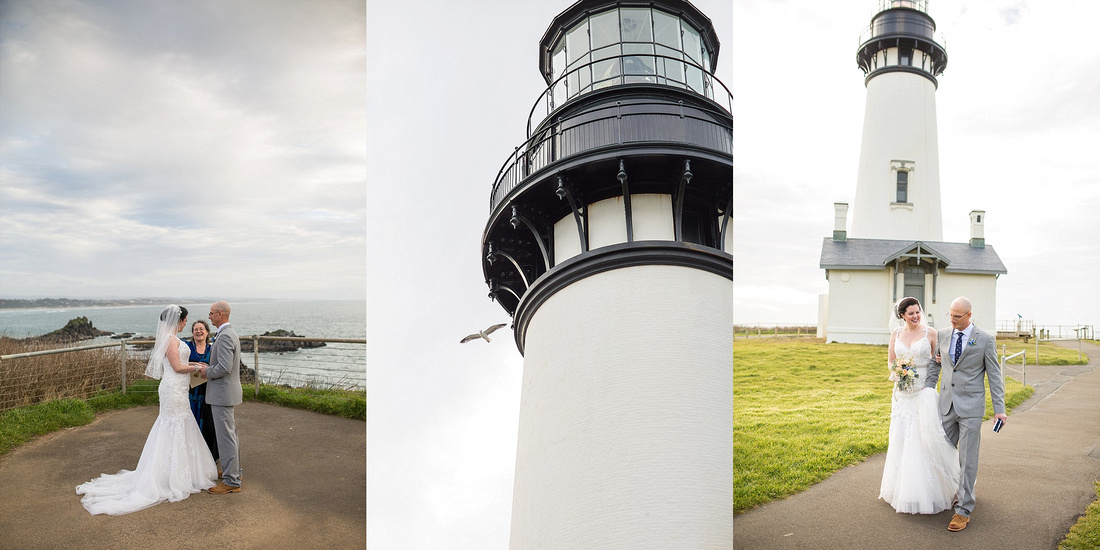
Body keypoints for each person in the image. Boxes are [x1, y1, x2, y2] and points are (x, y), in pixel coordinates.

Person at [76, 305, 217, 515]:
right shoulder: (170, 339)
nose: (187, 324)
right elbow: (177, 367)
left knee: (182, 423)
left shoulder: (172, 338)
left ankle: (184, 471)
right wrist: (198, 368)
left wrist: (194, 363)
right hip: (172, 388)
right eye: (185, 321)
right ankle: (169, 476)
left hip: (179, 388)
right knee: (172, 425)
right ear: (179, 320)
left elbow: (181, 363)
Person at [925, 296, 1007, 531]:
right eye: (950, 315)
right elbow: (936, 364)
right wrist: (927, 391)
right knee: (943, 452)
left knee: (967, 460)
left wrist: (999, 409)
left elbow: (994, 376)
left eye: (957, 316)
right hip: (946, 405)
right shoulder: (942, 334)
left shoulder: (985, 340)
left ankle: (964, 509)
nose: (952, 320)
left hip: (971, 408)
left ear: (969, 315)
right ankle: (950, 492)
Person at [879, 297, 961, 514]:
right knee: (901, 439)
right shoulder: (896, 334)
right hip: (902, 395)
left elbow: (939, 361)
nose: (915, 316)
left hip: (923, 393)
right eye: (910, 313)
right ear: (902, 315)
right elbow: (891, 361)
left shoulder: (930, 334)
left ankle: (935, 490)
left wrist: (933, 374)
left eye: (917, 312)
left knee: (924, 439)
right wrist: (898, 373)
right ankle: (902, 490)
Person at [198, 301, 243, 494]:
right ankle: (234, 472)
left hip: (222, 393)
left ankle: (231, 481)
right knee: (230, 435)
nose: (209, 317)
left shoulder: (225, 336)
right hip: (225, 393)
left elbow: (225, 367)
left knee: (226, 437)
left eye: (211, 314)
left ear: (220, 314)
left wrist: (206, 371)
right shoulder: (227, 333)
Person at [186, 319, 219, 463]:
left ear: (207, 332)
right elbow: (178, 363)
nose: (198, 331)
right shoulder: (187, 347)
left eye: (201, 329)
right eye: (195, 329)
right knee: (191, 421)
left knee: (208, 423)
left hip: (208, 390)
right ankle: (192, 456)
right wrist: (195, 365)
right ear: (192, 333)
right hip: (190, 391)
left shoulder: (212, 348)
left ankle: (208, 457)